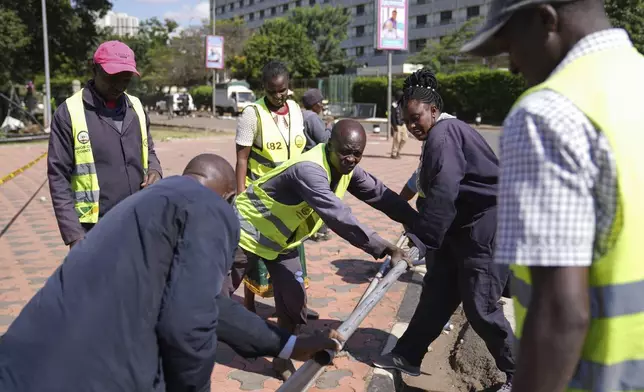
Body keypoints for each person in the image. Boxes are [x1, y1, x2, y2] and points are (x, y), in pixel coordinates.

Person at [0, 154, 342, 392]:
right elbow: (190, 324)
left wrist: (289, 345)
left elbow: (213, 308)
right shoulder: (210, 208)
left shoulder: (143, 203)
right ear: (232, 197)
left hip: (20, 362)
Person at [460, 1, 644, 391]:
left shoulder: (547, 113)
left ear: (546, 20)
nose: (511, 66)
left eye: (511, 45)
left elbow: (561, 311)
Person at [225, 119, 418, 379]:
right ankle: (184, 344)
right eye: (346, 152)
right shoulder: (309, 170)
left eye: (357, 154)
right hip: (247, 232)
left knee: (294, 302)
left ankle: (281, 360)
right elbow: (339, 217)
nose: (351, 159)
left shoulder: (346, 167)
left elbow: (378, 193)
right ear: (329, 145)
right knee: (216, 296)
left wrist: (416, 220)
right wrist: (386, 248)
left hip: (282, 242)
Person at [372, 69, 515, 391]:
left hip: (484, 227)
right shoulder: (441, 134)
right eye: (406, 121)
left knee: (480, 305)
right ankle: (407, 354)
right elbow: (433, 188)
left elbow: (445, 190)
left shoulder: (444, 133)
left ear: (433, 111)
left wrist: (423, 238)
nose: (411, 126)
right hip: (458, 227)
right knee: (437, 293)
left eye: (416, 117)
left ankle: (519, 373)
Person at [47, 40, 162, 249]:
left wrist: (155, 170)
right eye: (112, 78)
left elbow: (149, 149)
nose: (119, 86)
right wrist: (74, 234)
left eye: (125, 80)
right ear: (94, 69)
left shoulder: (136, 107)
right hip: (93, 230)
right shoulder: (69, 113)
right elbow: (58, 176)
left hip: (138, 221)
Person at [234, 60, 319, 319]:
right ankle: (249, 305)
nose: (279, 96)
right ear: (264, 88)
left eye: (283, 90)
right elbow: (241, 159)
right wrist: (240, 197)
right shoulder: (252, 114)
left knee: (293, 251)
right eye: (273, 91)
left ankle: (297, 305)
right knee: (256, 253)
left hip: (292, 198)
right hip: (261, 197)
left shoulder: (295, 109)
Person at [302, 88, 332, 242]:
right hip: (314, 161)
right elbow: (324, 139)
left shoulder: (301, 115)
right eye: (320, 102)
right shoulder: (312, 118)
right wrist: (330, 126)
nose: (322, 105)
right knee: (321, 197)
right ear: (314, 104)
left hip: (302, 161)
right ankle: (320, 231)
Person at [390, 90, 408, 159]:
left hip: (403, 124)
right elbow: (392, 116)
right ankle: (394, 154)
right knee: (396, 139)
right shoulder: (394, 105)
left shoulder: (403, 104)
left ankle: (398, 151)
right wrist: (394, 125)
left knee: (404, 138)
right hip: (397, 124)